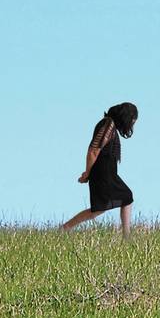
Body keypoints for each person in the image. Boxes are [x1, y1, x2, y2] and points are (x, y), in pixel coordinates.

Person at [61, 102, 138, 239]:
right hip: (103, 173)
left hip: (107, 172)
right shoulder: (108, 125)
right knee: (107, 204)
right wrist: (87, 173)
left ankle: (65, 228)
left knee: (109, 204)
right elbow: (93, 150)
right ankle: (65, 228)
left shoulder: (109, 125)